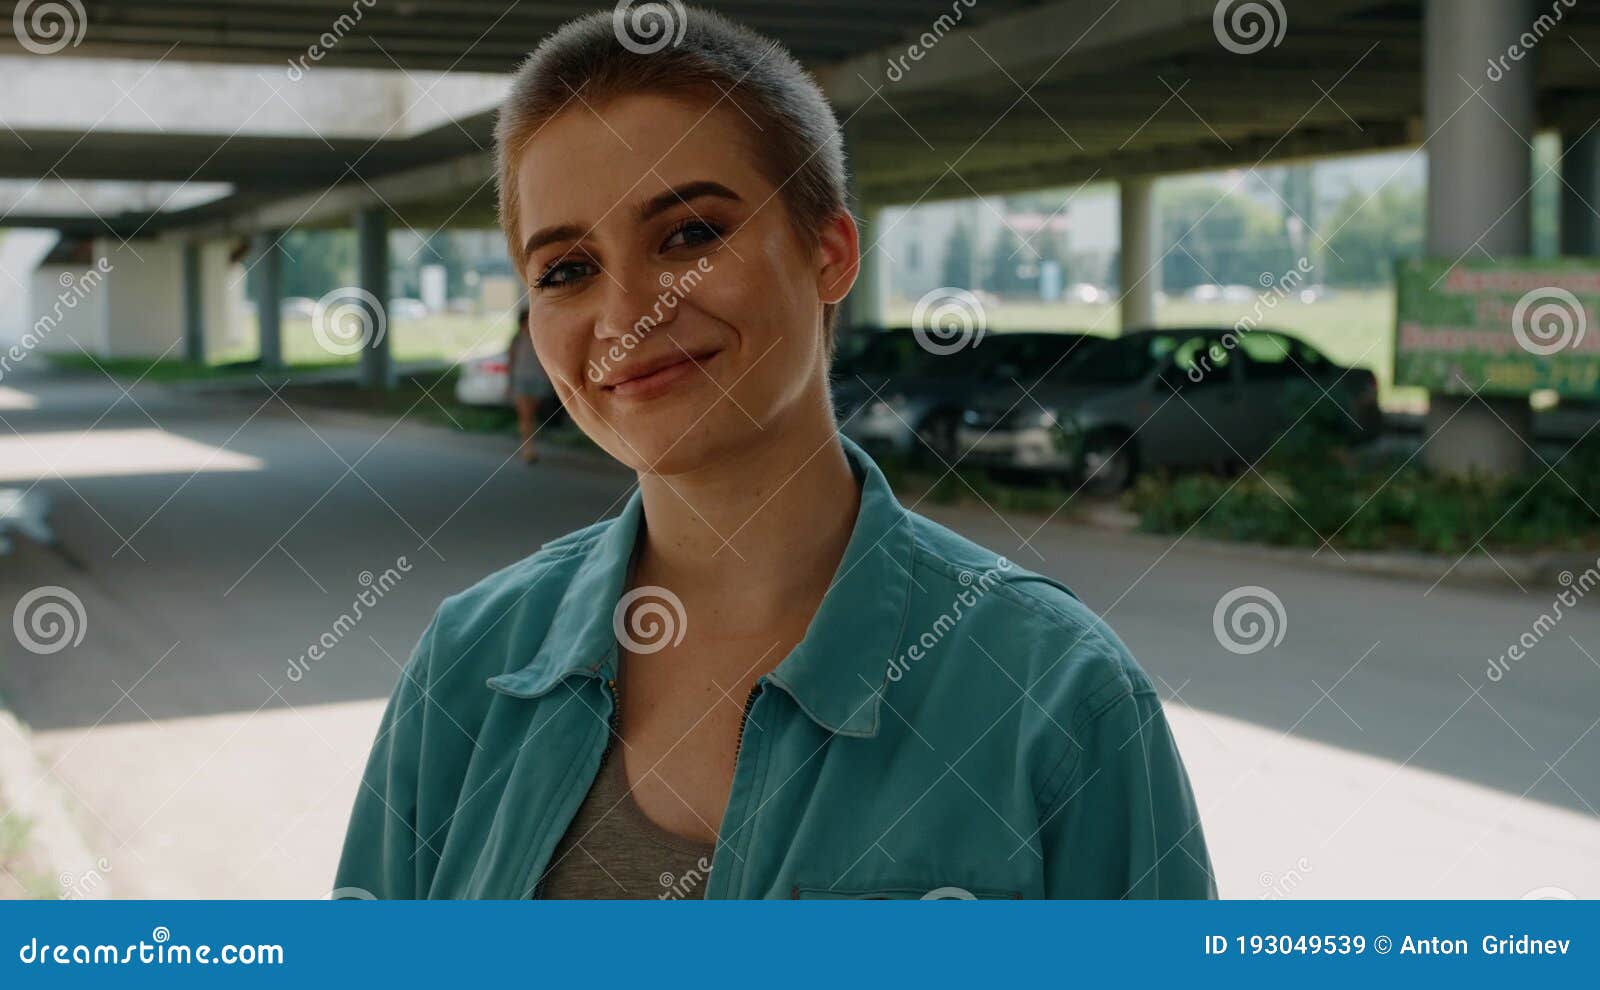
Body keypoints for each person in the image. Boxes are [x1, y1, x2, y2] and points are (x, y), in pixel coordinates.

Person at [334, 6, 1215, 900]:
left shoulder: (1058, 696)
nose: (626, 313)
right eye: (566, 269)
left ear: (828, 252)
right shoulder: (467, 667)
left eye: (690, 234)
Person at [506, 303, 550, 463]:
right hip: (521, 381)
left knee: (531, 417)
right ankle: (528, 449)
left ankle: (530, 446)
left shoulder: (541, 339)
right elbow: (511, 363)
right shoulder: (517, 340)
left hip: (538, 380)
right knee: (526, 417)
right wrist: (509, 385)